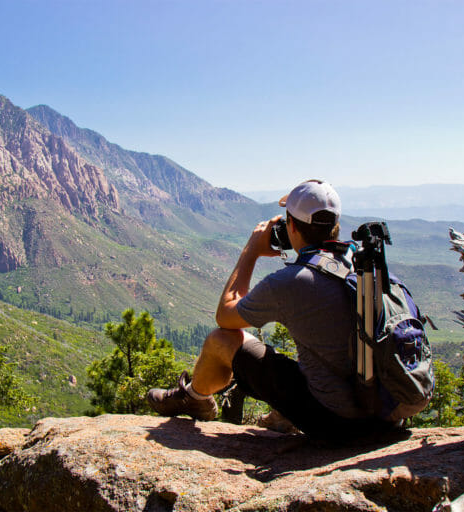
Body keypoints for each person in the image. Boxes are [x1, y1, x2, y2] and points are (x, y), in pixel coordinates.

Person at [147, 179, 392, 438]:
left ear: (292, 226)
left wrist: (251, 251)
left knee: (221, 339)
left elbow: (225, 316)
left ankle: (194, 399)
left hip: (336, 424)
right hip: (384, 414)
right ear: (336, 225)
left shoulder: (291, 282)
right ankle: (280, 416)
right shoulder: (360, 263)